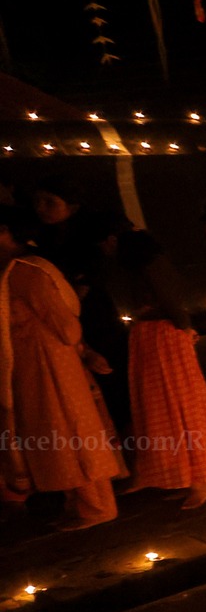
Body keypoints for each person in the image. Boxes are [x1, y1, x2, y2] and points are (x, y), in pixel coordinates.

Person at [0, 207, 126, 529]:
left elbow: (67, 328)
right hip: (33, 368)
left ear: (7, 231)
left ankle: (97, 507)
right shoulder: (12, 272)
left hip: (52, 365)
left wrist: (80, 351)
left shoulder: (29, 272)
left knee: (71, 434)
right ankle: (78, 502)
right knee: (55, 436)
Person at [102, 219, 206, 509]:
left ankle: (201, 481)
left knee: (176, 405)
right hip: (149, 336)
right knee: (154, 406)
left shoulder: (152, 264)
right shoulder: (134, 267)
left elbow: (171, 299)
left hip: (163, 336)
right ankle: (165, 474)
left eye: (107, 242)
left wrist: (184, 326)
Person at [31, 181, 129, 430]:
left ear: (72, 207)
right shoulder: (42, 240)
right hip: (64, 317)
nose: (41, 208)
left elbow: (88, 283)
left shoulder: (89, 240)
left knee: (109, 375)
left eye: (50, 202)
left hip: (94, 316)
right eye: (38, 202)